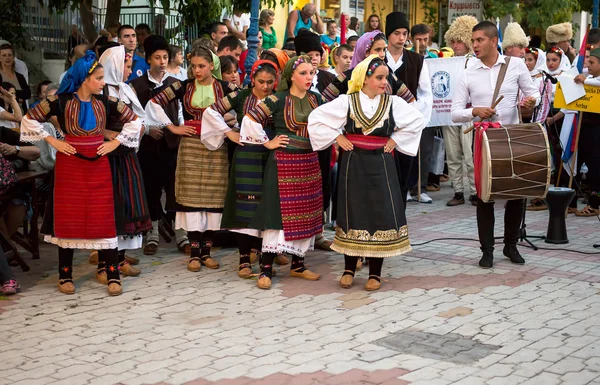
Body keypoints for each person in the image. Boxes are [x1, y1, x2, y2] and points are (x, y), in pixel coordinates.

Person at [20, 51, 142, 295]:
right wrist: (53, 142)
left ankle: (112, 274)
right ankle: (64, 275)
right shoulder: (60, 101)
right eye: (98, 78)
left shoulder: (106, 101)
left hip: (98, 165)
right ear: (84, 79)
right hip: (70, 166)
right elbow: (28, 119)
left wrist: (114, 143)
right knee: (69, 217)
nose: (103, 82)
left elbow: (135, 121)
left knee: (103, 216)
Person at [308, 55, 425, 290]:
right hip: (354, 163)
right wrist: (337, 136)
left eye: (385, 77)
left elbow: (417, 120)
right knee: (354, 211)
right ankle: (349, 268)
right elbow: (316, 118)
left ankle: (375, 273)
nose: (384, 82)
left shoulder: (393, 103)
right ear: (364, 79)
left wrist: (396, 139)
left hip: (382, 164)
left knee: (379, 212)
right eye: (379, 78)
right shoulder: (347, 101)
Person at [450, 21, 540, 269]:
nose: (474, 44)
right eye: (473, 40)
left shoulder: (516, 65)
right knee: (484, 196)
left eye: (479, 40)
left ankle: (510, 246)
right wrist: (475, 111)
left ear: (493, 41)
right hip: (483, 138)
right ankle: (486, 250)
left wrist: (530, 102)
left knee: (516, 193)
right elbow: (455, 113)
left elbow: (534, 93)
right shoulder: (468, 72)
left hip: (512, 136)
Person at [144, 46, 236, 272]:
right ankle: (195, 253)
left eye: (201, 66)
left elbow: (245, 104)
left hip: (215, 147)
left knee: (214, 197)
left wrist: (229, 122)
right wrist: (172, 128)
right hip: (191, 146)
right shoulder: (183, 86)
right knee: (192, 200)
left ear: (212, 66)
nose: (196, 70)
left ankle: (207, 251)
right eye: (193, 66)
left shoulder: (225, 87)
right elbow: (153, 103)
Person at [240, 55, 324, 289]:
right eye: (304, 73)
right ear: (291, 76)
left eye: (311, 73)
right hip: (283, 163)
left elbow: (329, 123)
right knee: (277, 214)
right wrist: (267, 142)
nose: (309, 77)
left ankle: (298, 265)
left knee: (305, 212)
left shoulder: (316, 99)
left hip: (308, 162)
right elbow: (250, 118)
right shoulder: (277, 99)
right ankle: (265, 269)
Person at [202, 60, 282, 277]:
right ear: (252, 79)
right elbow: (211, 112)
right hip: (246, 154)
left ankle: (264, 253)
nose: (265, 86)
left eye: (269, 82)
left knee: (267, 204)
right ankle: (244, 258)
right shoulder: (241, 96)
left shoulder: (278, 98)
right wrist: (228, 133)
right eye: (261, 81)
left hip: (271, 155)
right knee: (245, 206)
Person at [131, 35, 191, 256]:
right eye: (157, 57)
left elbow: (181, 111)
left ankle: (181, 233)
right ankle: (152, 232)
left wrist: (180, 130)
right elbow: (132, 115)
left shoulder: (175, 84)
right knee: (151, 188)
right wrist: (147, 129)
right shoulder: (136, 86)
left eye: (165, 57)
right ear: (148, 60)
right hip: (148, 145)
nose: (162, 61)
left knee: (176, 188)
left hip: (172, 144)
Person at [97, 45, 152, 281]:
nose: (130, 70)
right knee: (110, 209)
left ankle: (119, 260)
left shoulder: (124, 89)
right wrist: (109, 133)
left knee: (127, 205)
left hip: (126, 155)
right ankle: (103, 265)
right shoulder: (100, 92)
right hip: (109, 158)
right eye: (126, 66)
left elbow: (140, 118)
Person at [385, 12, 433, 206]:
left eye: (405, 33)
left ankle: (400, 219)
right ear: (388, 34)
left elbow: (426, 94)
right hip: (380, 125)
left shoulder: (417, 60)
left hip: (406, 126)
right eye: (397, 33)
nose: (402, 38)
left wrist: (413, 118)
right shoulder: (378, 59)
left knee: (404, 171)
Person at [442, 15, 478, 207]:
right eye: (453, 41)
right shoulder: (445, 62)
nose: (455, 45)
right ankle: (457, 190)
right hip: (448, 112)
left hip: (468, 112)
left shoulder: (475, 62)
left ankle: (474, 191)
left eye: (459, 41)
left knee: (470, 155)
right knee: (453, 155)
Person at [571, 48, 600, 217]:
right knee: (589, 166)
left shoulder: (591, 81)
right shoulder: (589, 79)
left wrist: (586, 82)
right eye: (587, 62)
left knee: (597, 166)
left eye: (592, 62)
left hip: (597, 130)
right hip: (586, 129)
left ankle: (595, 204)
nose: (587, 65)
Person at [0, 44, 30, 113]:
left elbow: (27, 93)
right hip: (5, 114)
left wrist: (11, 94)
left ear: (13, 57)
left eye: (10, 55)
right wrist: (19, 97)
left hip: (21, 112)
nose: (7, 58)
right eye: (4, 55)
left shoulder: (20, 76)